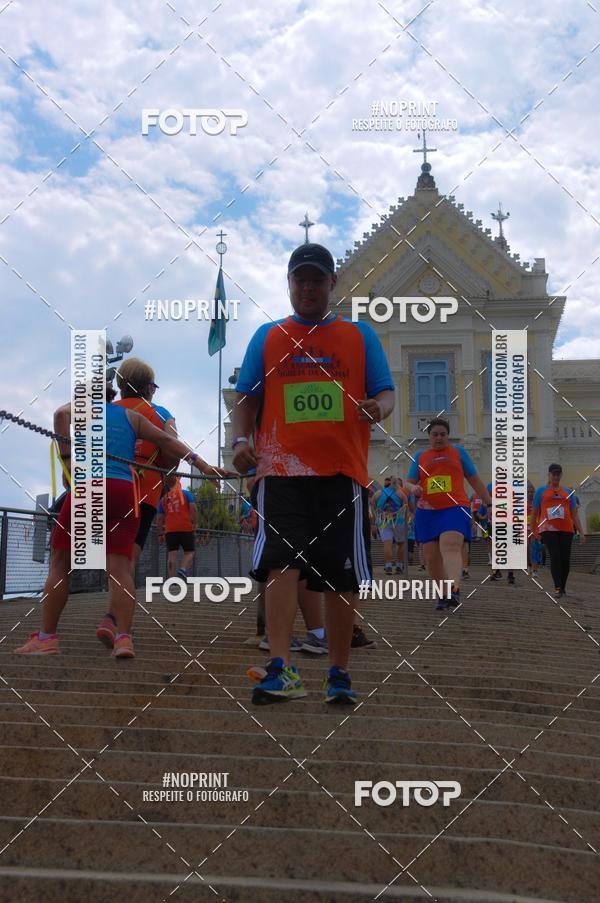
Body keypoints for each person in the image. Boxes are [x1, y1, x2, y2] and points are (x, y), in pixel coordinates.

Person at [231, 242, 394, 704]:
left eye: (316, 279)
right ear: (288, 283)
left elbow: (386, 392)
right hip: (279, 472)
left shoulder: (361, 336)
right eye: (300, 278)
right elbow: (246, 401)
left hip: (343, 472)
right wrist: (240, 443)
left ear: (331, 284)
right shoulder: (268, 336)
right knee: (281, 562)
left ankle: (338, 672)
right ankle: (281, 668)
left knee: (342, 576)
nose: (307, 286)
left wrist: (376, 409)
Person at [15, 396, 230, 658]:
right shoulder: (131, 417)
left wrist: (68, 461)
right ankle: (124, 639)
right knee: (119, 568)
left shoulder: (86, 409)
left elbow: (61, 415)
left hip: (89, 487)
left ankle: (47, 637)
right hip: (125, 491)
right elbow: (167, 442)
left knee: (61, 562)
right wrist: (204, 466)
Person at [95, 357, 179, 646]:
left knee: (112, 557)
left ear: (119, 385)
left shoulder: (104, 411)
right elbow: (172, 452)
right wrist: (167, 475)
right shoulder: (160, 413)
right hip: (142, 491)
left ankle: (111, 616)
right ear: (149, 388)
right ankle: (115, 620)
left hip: (102, 486)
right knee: (128, 555)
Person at [404, 418, 491, 611]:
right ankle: (443, 594)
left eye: (443, 434)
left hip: (455, 507)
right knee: (431, 556)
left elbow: (474, 480)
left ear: (448, 436)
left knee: (450, 545)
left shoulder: (458, 452)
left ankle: (454, 587)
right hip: (427, 512)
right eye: (435, 434)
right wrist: (413, 488)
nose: (439, 438)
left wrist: (489, 503)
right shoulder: (420, 456)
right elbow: (407, 482)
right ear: (429, 437)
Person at [531, 463, 585, 597]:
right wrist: (534, 530)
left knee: (565, 559)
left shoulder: (567, 492)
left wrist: (581, 532)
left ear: (561, 475)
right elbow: (534, 513)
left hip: (566, 529)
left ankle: (563, 587)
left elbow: (574, 514)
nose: (556, 476)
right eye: (553, 474)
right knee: (555, 556)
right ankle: (557, 587)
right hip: (548, 529)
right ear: (549, 475)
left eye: (558, 474)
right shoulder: (541, 491)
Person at [157, 475, 198, 580]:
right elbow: (193, 509)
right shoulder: (187, 494)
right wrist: (195, 522)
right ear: (177, 482)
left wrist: (160, 533)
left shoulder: (163, 499)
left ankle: (172, 580)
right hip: (185, 527)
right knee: (189, 552)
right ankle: (183, 569)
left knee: (172, 555)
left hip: (170, 530)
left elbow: (160, 518)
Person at [371, 477, 411, 574]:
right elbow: (406, 508)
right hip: (399, 521)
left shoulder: (378, 493)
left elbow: (372, 505)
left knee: (387, 544)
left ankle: (388, 566)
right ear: (395, 484)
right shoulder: (400, 493)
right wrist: (408, 522)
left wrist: (375, 520)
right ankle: (399, 566)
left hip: (383, 521)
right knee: (401, 544)